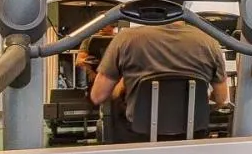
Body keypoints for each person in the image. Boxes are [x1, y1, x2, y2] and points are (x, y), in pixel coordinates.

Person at [88, 20, 229, 134]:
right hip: (193, 133)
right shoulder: (210, 42)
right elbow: (221, 99)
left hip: (138, 135)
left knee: (115, 107)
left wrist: (123, 84)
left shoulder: (125, 38)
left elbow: (98, 96)